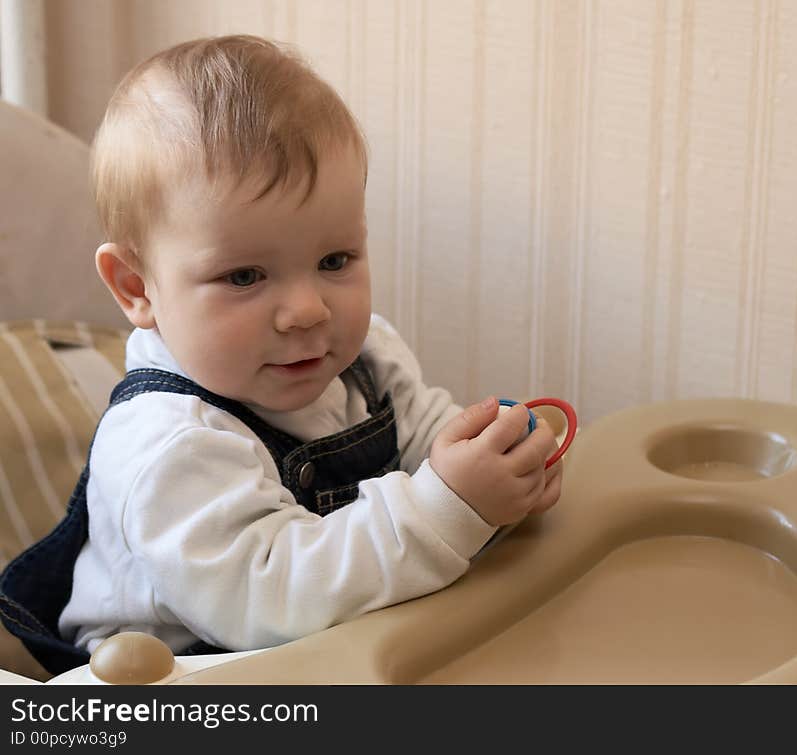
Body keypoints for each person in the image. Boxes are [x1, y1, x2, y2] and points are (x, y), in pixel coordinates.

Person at [0, 34, 563, 674]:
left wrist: (492, 460)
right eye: (244, 277)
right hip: (183, 675)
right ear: (138, 288)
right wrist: (448, 510)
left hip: (348, 643)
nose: (308, 310)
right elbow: (270, 597)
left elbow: (423, 435)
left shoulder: (363, 353)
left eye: (334, 261)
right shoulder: (166, 444)